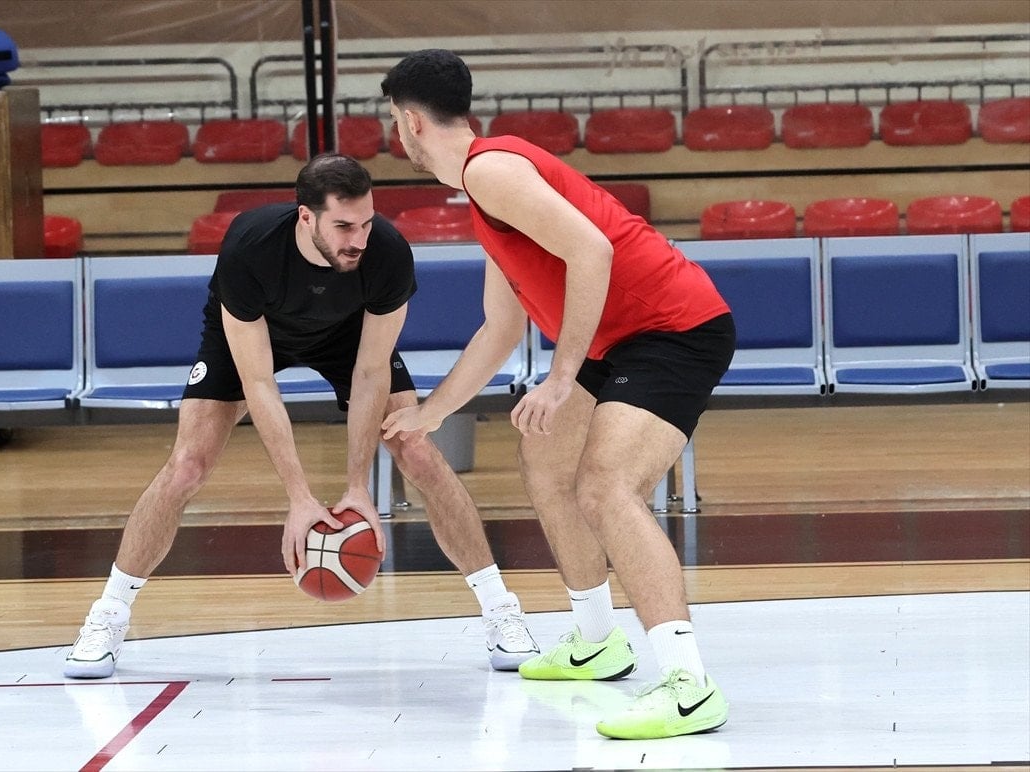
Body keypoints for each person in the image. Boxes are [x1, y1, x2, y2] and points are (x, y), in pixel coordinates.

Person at [63, 153, 539, 679]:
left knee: (419, 451)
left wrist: (357, 486)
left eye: (366, 222)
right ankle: (107, 616)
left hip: (346, 336)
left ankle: (501, 610)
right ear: (306, 217)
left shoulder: (387, 253)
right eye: (343, 226)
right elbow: (259, 383)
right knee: (187, 467)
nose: (359, 238)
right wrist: (299, 496)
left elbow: (370, 372)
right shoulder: (251, 246)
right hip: (254, 335)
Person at [380, 50, 736, 740]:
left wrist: (562, 376)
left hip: (675, 329)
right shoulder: (485, 187)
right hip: (616, 340)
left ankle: (689, 686)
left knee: (606, 488)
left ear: (411, 122)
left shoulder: (491, 171)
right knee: (545, 461)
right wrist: (430, 414)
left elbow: (592, 251)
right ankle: (598, 641)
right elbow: (501, 326)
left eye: (394, 121)